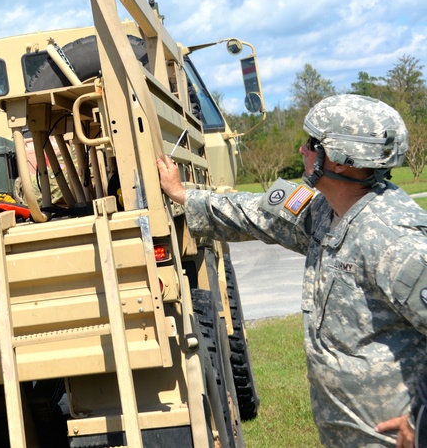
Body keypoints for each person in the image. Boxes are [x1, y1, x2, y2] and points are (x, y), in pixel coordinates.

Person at [156, 94, 427, 447]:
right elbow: (255, 212)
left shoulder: (395, 240)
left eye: (313, 144)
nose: (302, 149)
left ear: (342, 160)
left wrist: (422, 419)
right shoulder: (326, 212)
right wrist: (183, 195)